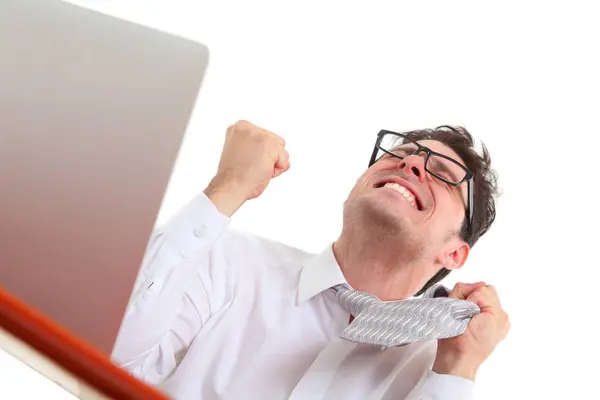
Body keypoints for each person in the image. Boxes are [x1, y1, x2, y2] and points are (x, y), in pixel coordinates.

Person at [112, 120, 510, 399]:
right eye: (400, 154)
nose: (411, 164)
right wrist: (228, 187)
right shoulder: (229, 262)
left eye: (442, 174)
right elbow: (113, 357)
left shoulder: (430, 373)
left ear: (454, 253)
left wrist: (457, 371)